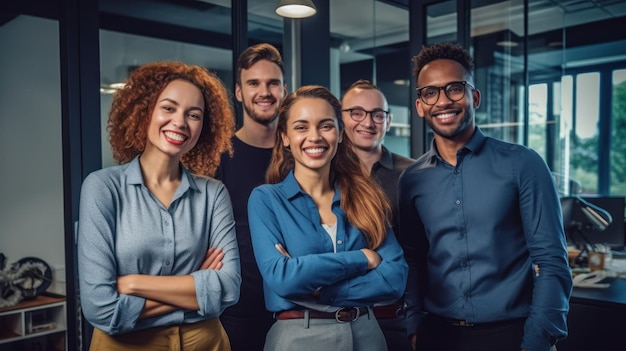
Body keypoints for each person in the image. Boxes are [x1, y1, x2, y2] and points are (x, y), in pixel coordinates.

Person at [398, 42, 572, 351]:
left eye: (454, 88)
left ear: (474, 97)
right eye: (430, 92)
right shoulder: (412, 180)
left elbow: (552, 262)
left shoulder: (523, 164)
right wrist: (413, 324)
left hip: (512, 335)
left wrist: (538, 339)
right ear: (420, 105)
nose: (443, 101)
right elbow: (413, 259)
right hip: (437, 335)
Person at [77, 61, 241, 350]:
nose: (180, 122)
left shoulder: (213, 194)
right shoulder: (102, 188)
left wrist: (133, 284)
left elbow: (228, 289)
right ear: (144, 111)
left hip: (205, 342)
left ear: (205, 127)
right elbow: (100, 309)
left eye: (194, 114)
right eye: (168, 107)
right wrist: (196, 285)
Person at [248, 85, 408, 351]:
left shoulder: (366, 197)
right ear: (285, 137)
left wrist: (320, 289)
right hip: (298, 338)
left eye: (325, 126)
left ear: (340, 133)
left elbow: (395, 278)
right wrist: (363, 258)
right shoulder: (266, 199)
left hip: (367, 335)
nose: (315, 137)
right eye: (301, 127)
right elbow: (283, 277)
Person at [214, 43, 288, 350]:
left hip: (298, 306)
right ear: (239, 92)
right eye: (253, 83)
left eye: (273, 83)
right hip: (238, 310)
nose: (264, 91)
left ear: (285, 89)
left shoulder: (303, 154)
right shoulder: (219, 158)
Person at [340, 79, 415, 351]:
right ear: (341, 117)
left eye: (377, 114)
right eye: (356, 112)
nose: (368, 122)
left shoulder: (413, 174)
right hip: (337, 315)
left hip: (397, 317)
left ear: (388, 120)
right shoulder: (324, 173)